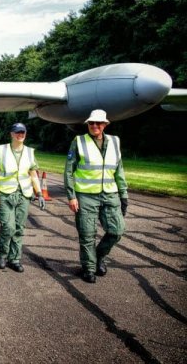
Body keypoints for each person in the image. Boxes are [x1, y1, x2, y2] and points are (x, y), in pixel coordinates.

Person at [64, 109, 128, 283]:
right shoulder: (79, 141)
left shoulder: (115, 142)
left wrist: (123, 195)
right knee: (87, 235)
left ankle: (99, 256)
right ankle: (89, 268)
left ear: (105, 124)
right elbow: (69, 171)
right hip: (85, 196)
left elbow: (119, 170)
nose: (94, 126)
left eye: (98, 123)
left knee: (117, 231)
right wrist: (71, 196)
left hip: (110, 194)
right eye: (91, 123)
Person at [0, 123, 46, 273]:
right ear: (11, 134)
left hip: (24, 194)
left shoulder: (29, 152)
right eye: (17, 132)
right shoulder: (2, 150)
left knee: (19, 228)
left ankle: (14, 258)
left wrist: (40, 193)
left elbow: (33, 175)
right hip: (5, 194)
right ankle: (2, 255)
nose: (20, 134)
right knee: (8, 227)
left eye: (22, 132)